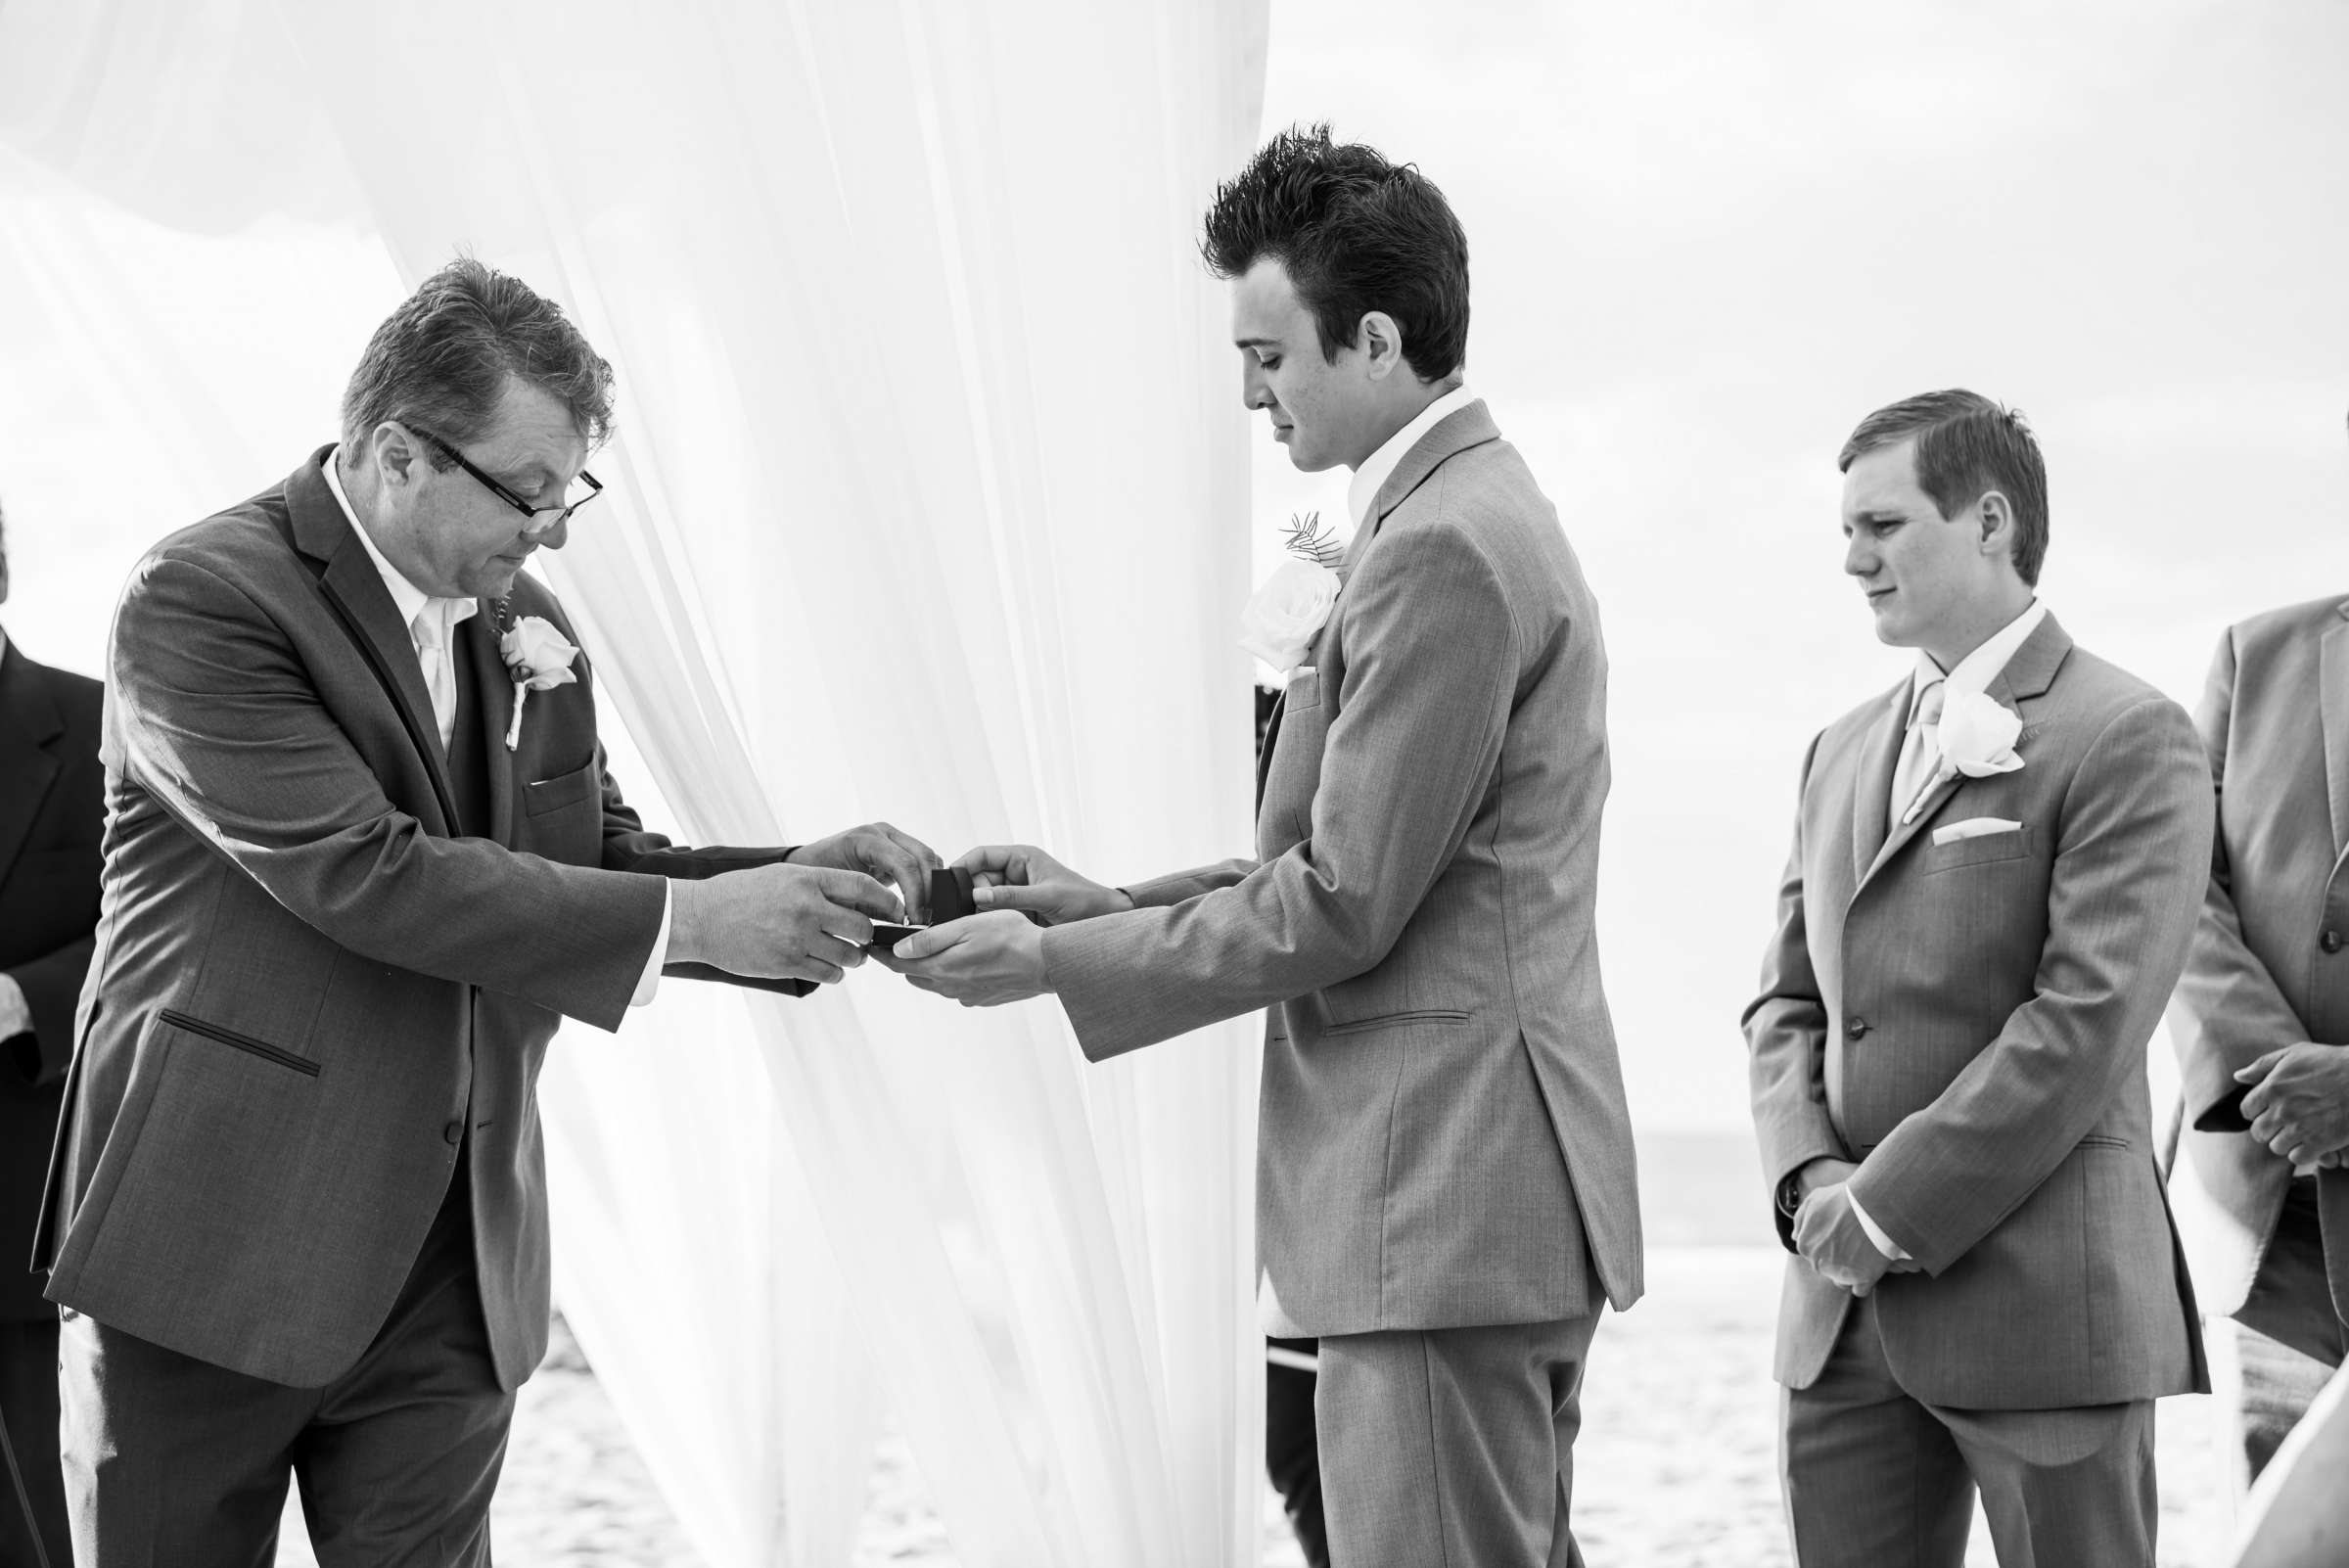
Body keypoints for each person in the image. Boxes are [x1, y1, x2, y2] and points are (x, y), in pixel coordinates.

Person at [37, 257, 940, 1566]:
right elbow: (367, 870)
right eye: (529, 491)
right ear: (399, 454)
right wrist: (700, 926)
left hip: (457, 1263)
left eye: (570, 491)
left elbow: (598, 860)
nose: (553, 528)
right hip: (211, 1252)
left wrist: (802, 883)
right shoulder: (200, 600)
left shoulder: (530, 624)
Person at [885, 125, 1642, 1568]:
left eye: (1269, 355)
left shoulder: (1439, 547)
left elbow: (1345, 902)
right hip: (1472, 1199)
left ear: (1373, 338)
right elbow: (1372, 864)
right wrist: (1106, 900)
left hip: (1438, 1202)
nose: (1248, 395)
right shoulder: (1459, 511)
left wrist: (1056, 959)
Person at [1744, 389, 2211, 1567]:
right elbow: (1786, 1002)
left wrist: (1890, 1206)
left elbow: (2087, 1022)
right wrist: (1811, 1188)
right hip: (1839, 1329)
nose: (1853, 560)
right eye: (1845, 530)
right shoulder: (1837, 749)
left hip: (2044, 1313)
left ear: (1990, 521)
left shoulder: (2130, 735)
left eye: (1884, 526)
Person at [2166, 476, 2349, 1485]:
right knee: (2278, 1531)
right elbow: (2179, 889)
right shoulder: (2256, 652)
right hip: (2276, 1229)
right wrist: (2290, 1083)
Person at [0, 501, 101, 1568]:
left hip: (17, 1194)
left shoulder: (102, 724)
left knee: (25, 1526)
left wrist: (26, 997)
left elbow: (171, 933)